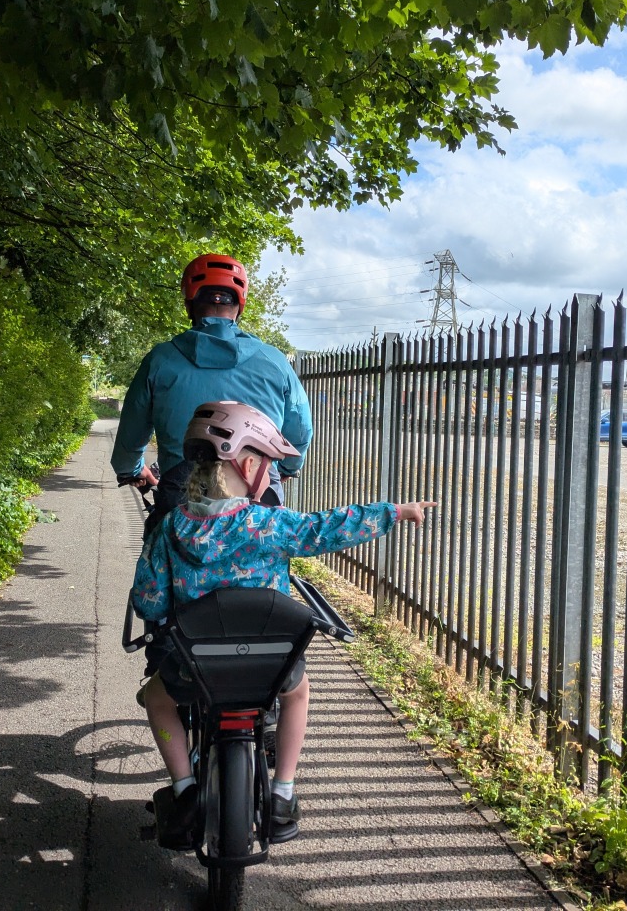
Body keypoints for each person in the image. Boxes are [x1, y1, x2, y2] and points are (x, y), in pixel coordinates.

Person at [133, 400, 436, 846]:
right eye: (269, 465)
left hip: (196, 665)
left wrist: (163, 612)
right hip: (267, 667)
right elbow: (328, 528)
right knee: (298, 695)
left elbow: (148, 601)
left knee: (155, 699)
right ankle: (283, 792)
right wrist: (393, 512)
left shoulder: (172, 528)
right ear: (249, 463)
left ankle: (184, 790)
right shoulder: (270, 525)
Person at [111, 253, 312, 532]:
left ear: (189, 303)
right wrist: (288, 467)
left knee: (163, 564)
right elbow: (300, 429)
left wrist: (130, 469)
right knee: (266, 560)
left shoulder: (161, 360)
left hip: (183, 489)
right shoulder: (274, 361)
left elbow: (132, 431)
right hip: (258, 487)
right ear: (240, 305)